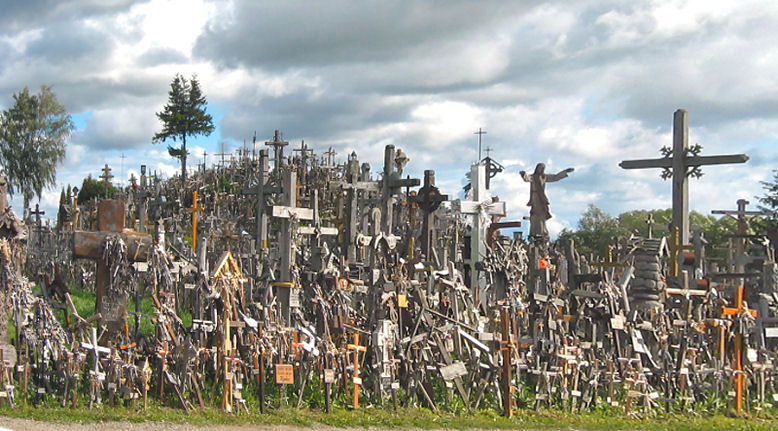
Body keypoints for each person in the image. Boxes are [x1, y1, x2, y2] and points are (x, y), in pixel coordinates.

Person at [519, 163, 574, 239]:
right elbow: (527, 178)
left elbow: (555, 177)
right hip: (535, 197)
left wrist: (565, 171)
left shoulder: (544, 177)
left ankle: (542, 232)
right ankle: (534, 232)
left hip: (542, 198)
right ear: (536, 169)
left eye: (542, 168)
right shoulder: (533, 177)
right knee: (535, 214)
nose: (540, 170)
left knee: (542, 214)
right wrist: (523, 174)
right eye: (539, 168)